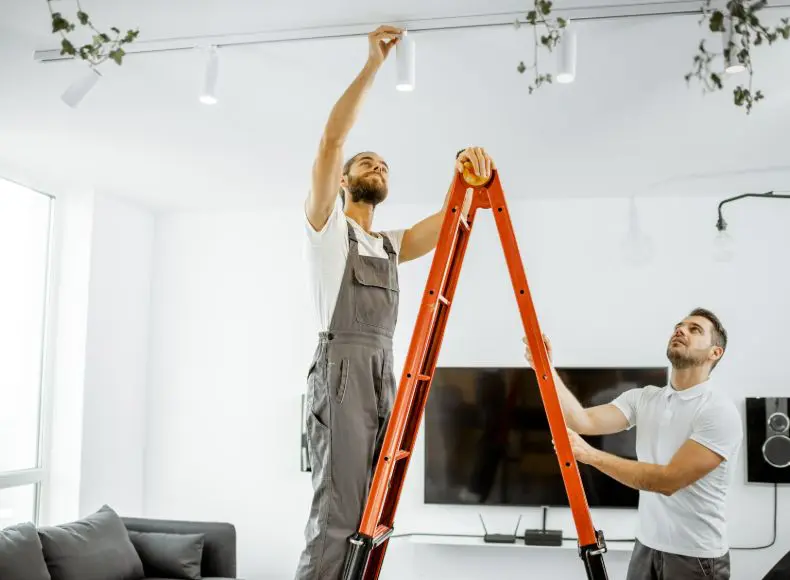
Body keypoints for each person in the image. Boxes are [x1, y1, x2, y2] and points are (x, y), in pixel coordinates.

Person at [297, 24, 495, 580]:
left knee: (370, 515)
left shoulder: (389, 244)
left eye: (383, 164)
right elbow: (330, 141)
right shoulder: (326, 231)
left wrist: (469, 173)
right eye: (365, 162)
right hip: (343, 370)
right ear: (341, 181)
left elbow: (452, 220)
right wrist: (372, 65)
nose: (376, 166)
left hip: (385, 369)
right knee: (337, 515)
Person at [523, 308, 742, 580]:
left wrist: (591, 456)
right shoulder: (644, 399)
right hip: (646, 546)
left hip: (696, 556)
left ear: (715, 353)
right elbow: (581, 421)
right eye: (679, 325)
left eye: (695, 329)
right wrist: (544, 368)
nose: (681, 330)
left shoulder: (718, 410)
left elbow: (667, 481)